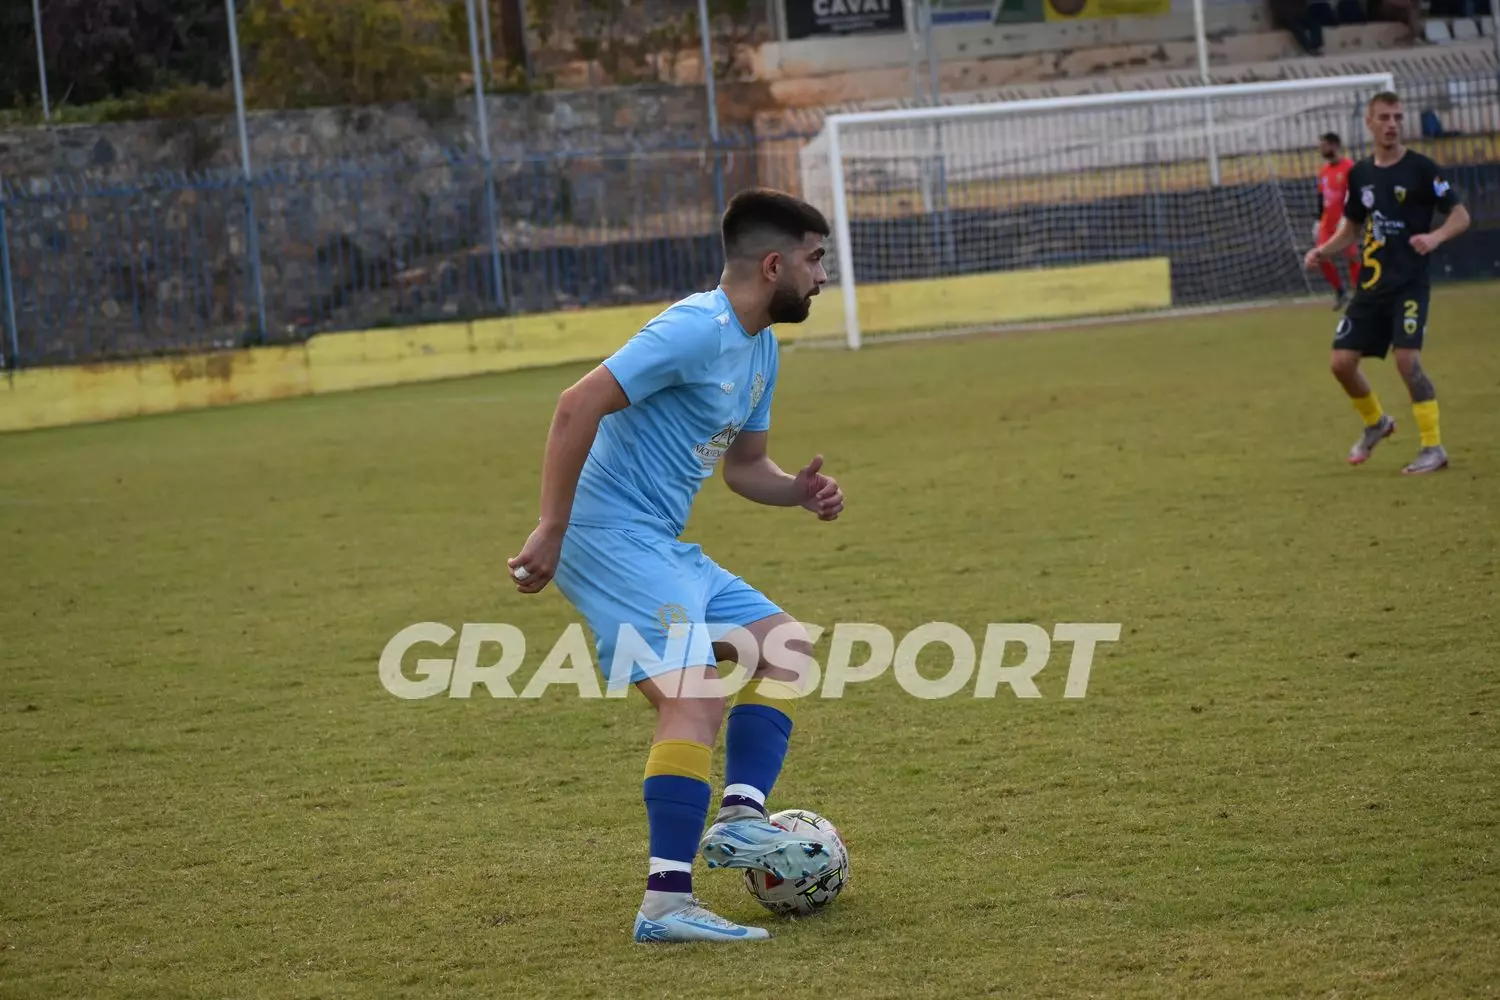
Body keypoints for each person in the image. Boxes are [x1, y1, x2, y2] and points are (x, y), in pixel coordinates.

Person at [506, 187, 846, 943]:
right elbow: (576, 404)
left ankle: (741, 818)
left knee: (783, 645)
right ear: (773, 265)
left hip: (657, 542)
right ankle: (665, 905)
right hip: (606, 535)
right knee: (693, 701)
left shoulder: (760, 347)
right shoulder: (695, 328)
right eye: (815, 259)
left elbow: (744, 466)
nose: (823, 276)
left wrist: (796, 491)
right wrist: (553, 527)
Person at [1304, 90, 1470, 475]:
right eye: (1384, 117)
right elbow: (1352, 228)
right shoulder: (1360, 174)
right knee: (1341, 363)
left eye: (1397, 117)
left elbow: (1460, 216)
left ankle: (1433, 448)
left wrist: (1435, 237)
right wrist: (1323, 251)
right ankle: (1376, 423)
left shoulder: (1423, 169)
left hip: (1409, 283)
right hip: (1371, 286)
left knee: (1406, 360)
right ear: (1369, 123)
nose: (1392, 124)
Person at [1313, 132, 1360, 308]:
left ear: (1334, 145)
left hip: (1345, 222)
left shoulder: (1349, 167)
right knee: (1321, 257)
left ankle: (1357, 293)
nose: (1321, 149)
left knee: (1353, 257)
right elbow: (1321, 198)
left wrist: (1349, 217)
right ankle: (1340, 292)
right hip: (1327, 224)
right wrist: (1318, 221)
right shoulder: (1323, 172)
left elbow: (1354, 194)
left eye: (1324, 146)